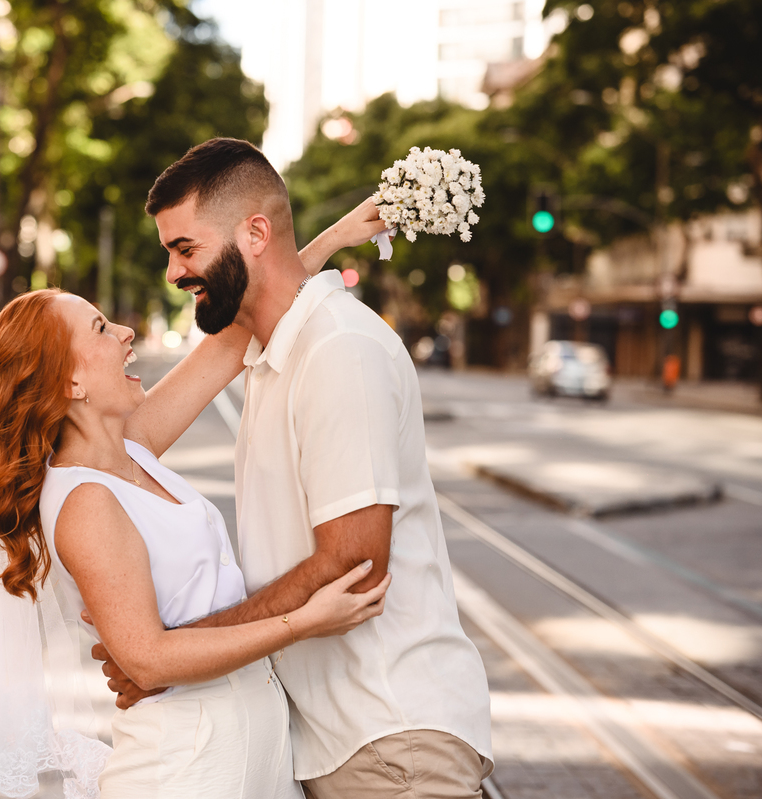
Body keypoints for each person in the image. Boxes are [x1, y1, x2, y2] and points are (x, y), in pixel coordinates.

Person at [0, 209, 390, 799]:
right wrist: (303, 622)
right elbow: (148, 660)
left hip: (245, 750)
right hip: (187, 767)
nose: (125, 333)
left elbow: (235, 337)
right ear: (70, 383)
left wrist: (332, 238)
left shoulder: (131, 449)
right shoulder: (85, 501)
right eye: (100, 329)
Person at [96, 137, 494, 799]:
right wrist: (327, 241)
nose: (172, 274)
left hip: (390, 744)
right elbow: (266, 295)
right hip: (333, 743)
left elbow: (354, 565)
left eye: (184, 248)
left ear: (254, 232)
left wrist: (168, 657)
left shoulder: (339, 350)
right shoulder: (275, 348)